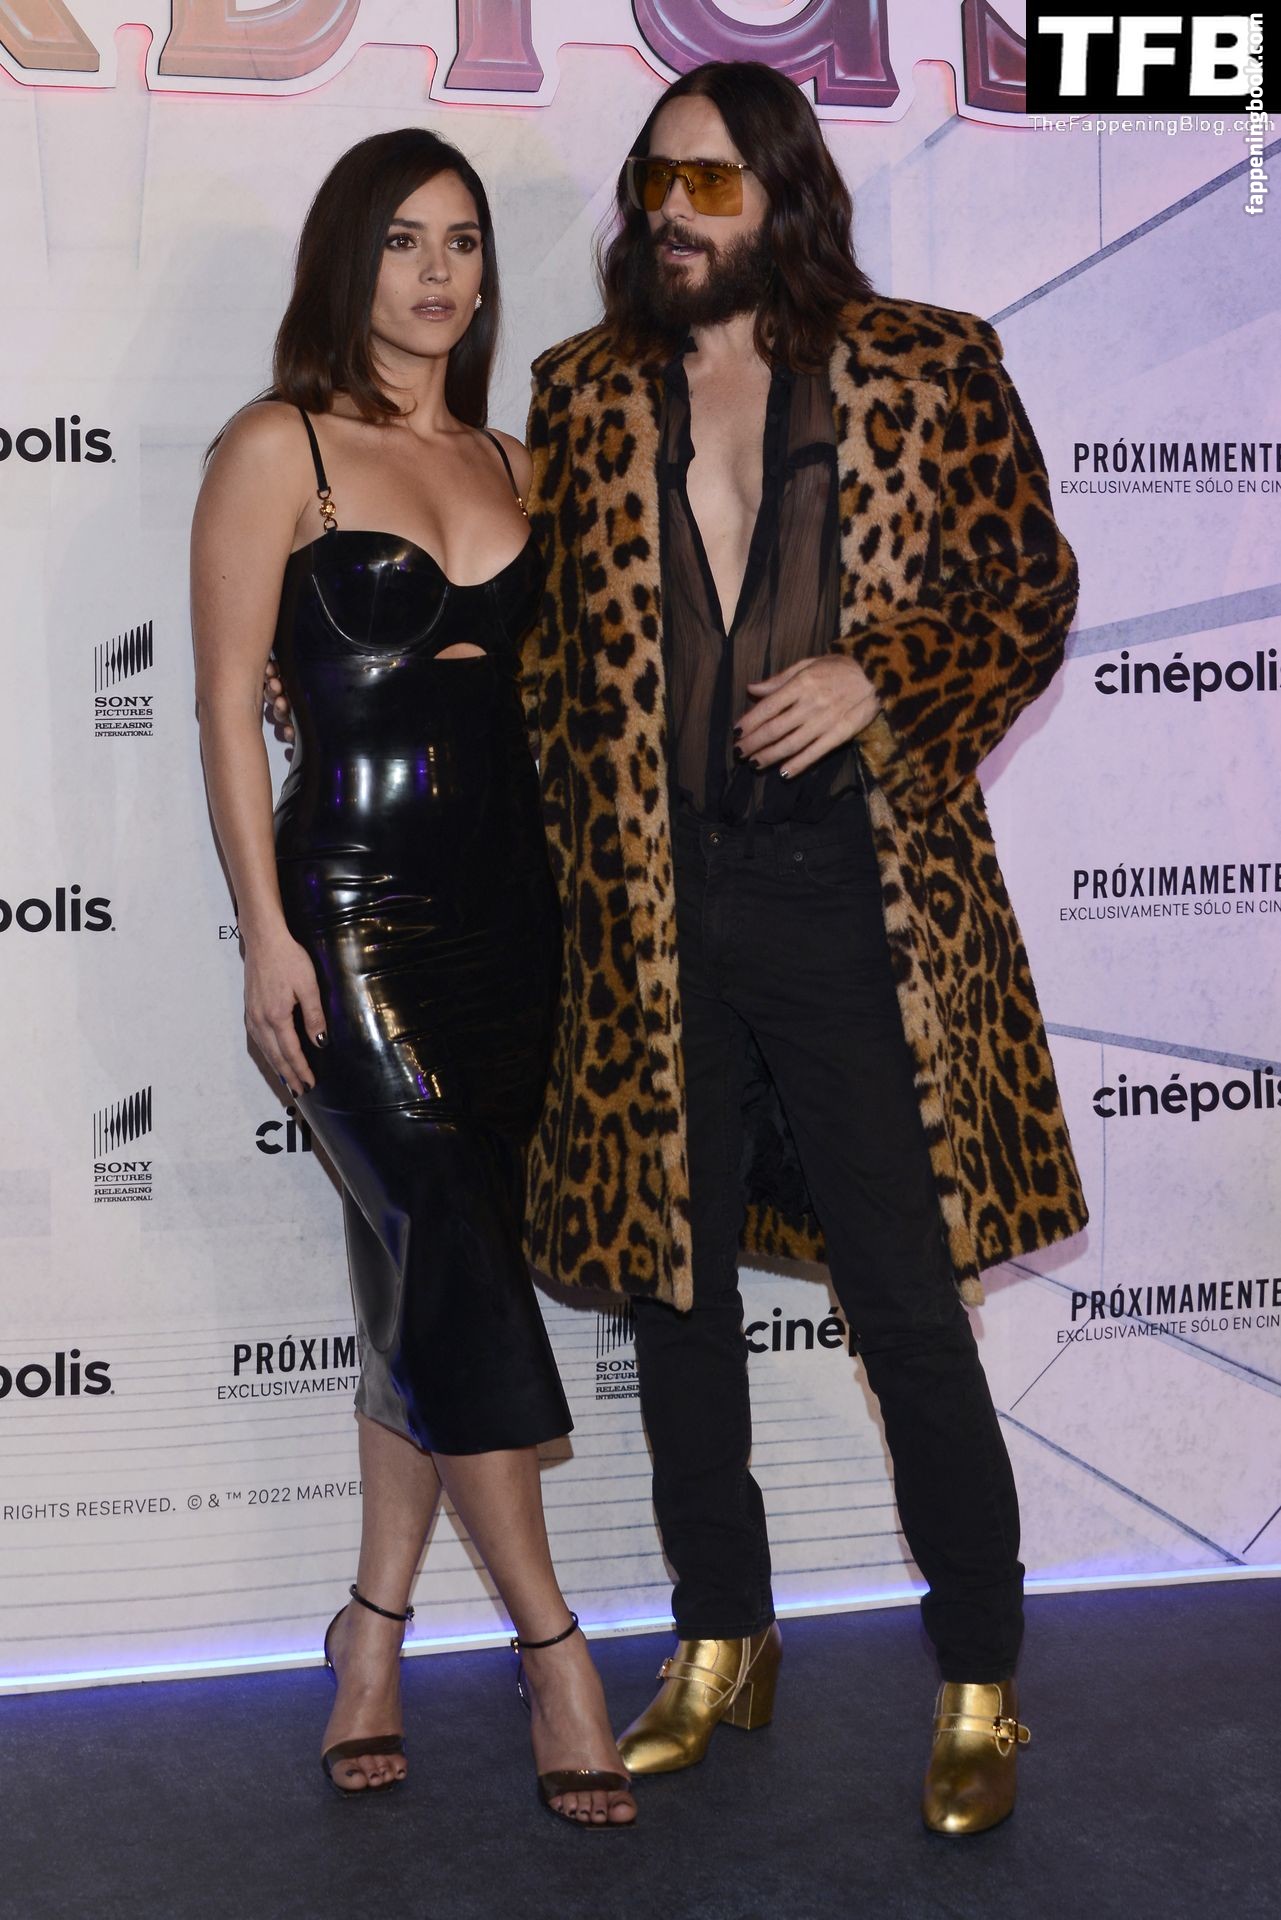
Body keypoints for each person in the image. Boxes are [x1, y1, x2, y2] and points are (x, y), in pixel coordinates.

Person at [518, 63, 1087, 1835]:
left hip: (855, 901)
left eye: (709, 183)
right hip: (652, 908)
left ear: (782, 191)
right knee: (676, 1295)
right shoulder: (581, 392)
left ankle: (978, 1679)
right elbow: (543, 664)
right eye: (653, 182)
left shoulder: (926, 364)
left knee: (904, 1303)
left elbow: (1027, 591)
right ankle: (720, 1639)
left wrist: (877, 678)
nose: (671, 215)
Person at [194, 128, 633, 1827]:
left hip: (518, 923)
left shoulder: (521, 462)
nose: (437, 272)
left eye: (459, 241)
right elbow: (226, 702)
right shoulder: (279, 446)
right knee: (446, 1241)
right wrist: (264, 933)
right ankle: (553, 1652)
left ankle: (367, 1638)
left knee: (423, 1280)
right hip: (350, 916)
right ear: (345, 261)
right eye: (400, 241)